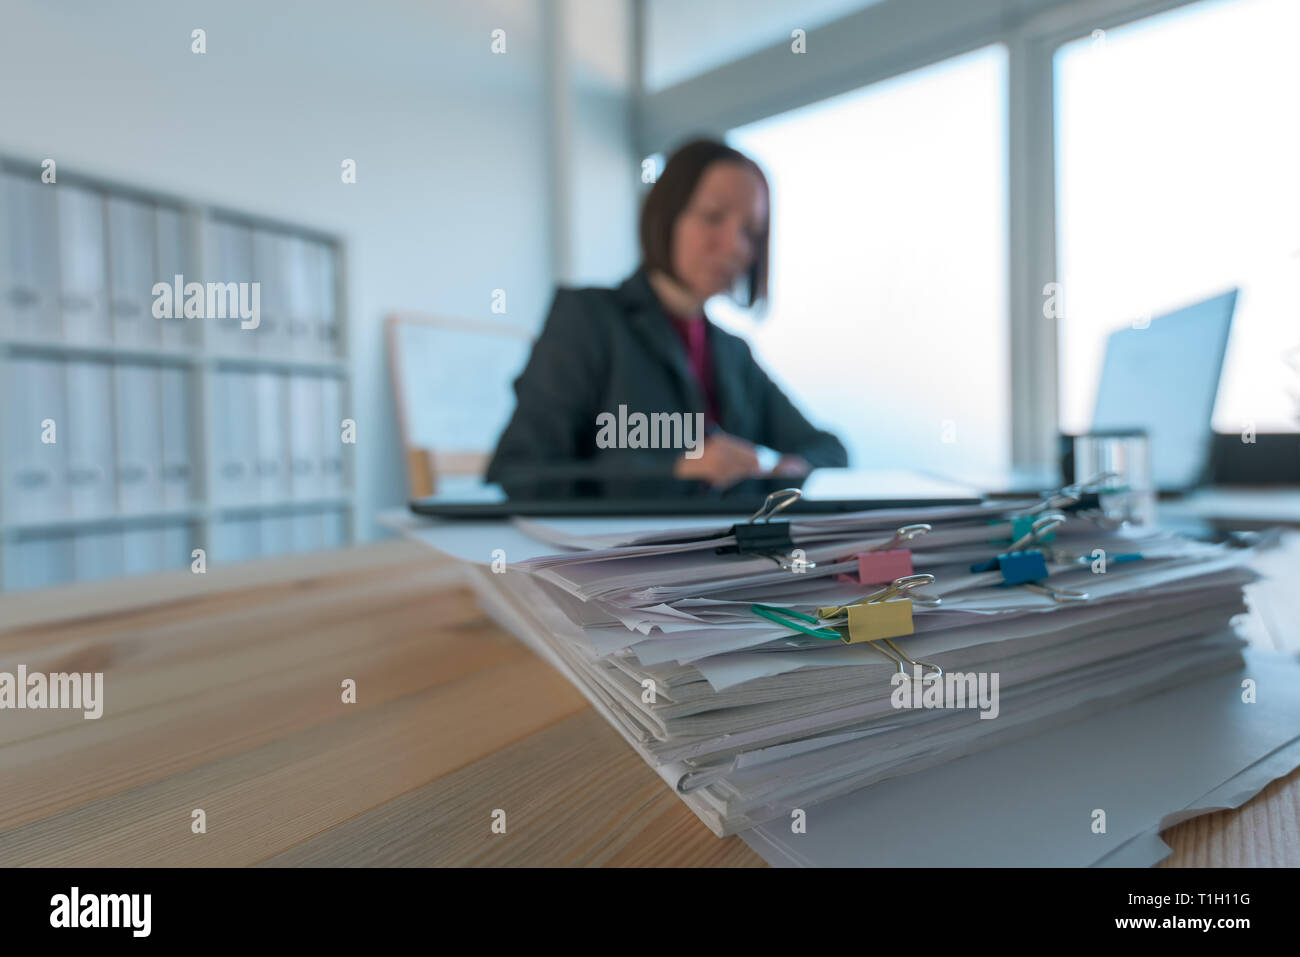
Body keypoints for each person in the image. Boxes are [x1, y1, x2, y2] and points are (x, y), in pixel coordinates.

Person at [486, 138, 847, 496]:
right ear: (667, 215)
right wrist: (676, 470)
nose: (736, 246)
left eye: (750, 232)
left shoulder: (733, 353)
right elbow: (518, 472)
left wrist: (793, 469)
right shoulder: (588, 321)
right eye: (713, 217)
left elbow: (829, 449)